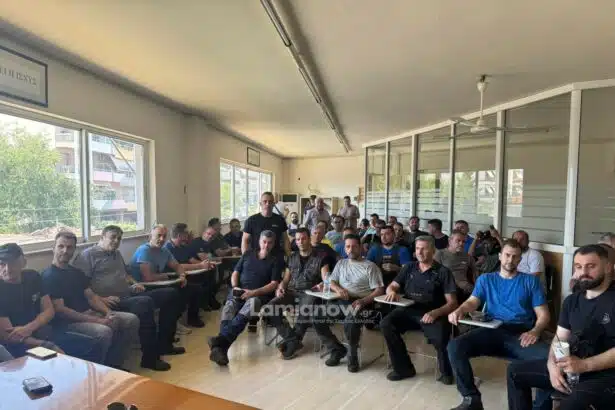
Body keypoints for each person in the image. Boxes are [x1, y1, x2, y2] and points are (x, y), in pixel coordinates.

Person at [507, 244, 615, 410]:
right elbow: (560, 338)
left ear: (608, 267)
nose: (583, 272)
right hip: (572, 369)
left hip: (605, 375)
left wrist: (584, 365)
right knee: (514, 372)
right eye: (578, 266)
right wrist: (553, 366)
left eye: (591, 266)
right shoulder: (572, 301)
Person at [447, 239, 551, 410]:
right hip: (492, 330)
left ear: (520, 260)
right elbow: (473, 301)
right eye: (507, 255)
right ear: (500, 256)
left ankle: (539, 407)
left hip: (520, 335)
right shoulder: (486, 279)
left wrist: (535, 331)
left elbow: (544, 315)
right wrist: (460, 309)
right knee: (454, 346)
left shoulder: (530, 281)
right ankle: (471, 399)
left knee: (550, 359)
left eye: (515, 257)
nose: (510, 260)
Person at [75, 225, 186, 370]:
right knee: (144, 303)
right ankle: (150, 358)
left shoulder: (116, 254)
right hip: (108, 302)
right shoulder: (87, 255)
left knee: (171, 294)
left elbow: (126, 274)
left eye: (119, 238)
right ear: (102, 237)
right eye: (112, 238)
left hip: (128, 295)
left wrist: (135, 283)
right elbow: (80, 286)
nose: (116, 241)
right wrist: (101, 299)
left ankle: (165, 344)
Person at [42, 232, 139, 370]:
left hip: (88, 314)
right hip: (67, 323)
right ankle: (99, 369)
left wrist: (108, 312)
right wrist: (97, 320)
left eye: (70, 247)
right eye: (61, 246)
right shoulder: (49, 276)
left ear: (74, 250)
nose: (65, 251)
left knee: (130, 320)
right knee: (103, 331)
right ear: (54, 248)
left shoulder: (76, 272)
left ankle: (114, 365)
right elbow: (61, 311)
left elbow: (91, 297)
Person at [0, 243, 101, 363]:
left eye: (13, 264)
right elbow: (9, 337)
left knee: (92, 344)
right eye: (2, 264)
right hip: (20, 344)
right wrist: (46, 345)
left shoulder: (32, 277)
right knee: (57, 354)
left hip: (40, 331)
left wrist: (29, 328)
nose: (7, 269)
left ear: (23, 263)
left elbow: (49, 310)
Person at [381, 235, 458, 383]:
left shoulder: (443, 272)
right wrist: (391, 291)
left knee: (441, 335)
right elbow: (392, 286)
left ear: (433, 251)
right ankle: (403, 368)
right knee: (386, 324)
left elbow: (452, 303)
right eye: (417, 248)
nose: (419, 252)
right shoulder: (409, 267)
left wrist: (435, 313)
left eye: (424, 249)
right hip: (409, 310)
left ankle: (446, 372)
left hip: (434, 313)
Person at [208, 231, 282, 366]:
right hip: (239, 290)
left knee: (251, 304)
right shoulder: (248, 254)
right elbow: (236, 272)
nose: (266, 245)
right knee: (229, 307)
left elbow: (274, 284)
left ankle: (219, 341)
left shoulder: (276, 260)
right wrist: (235, 286)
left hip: (259, 295)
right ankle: (220, 349)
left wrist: (253, 292)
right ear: (259, 241)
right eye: (264, 242)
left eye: (270, 243)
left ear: (273, 243)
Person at [313, 234, 384, 373]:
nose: (351, 250)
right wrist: (338, 289)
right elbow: (332, 281)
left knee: (350, 321)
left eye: (354, 246)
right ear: (345, 248)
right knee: (317, 315)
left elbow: (379, 290)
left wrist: (363, 301)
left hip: (362, 303)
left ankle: (352, 355)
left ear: (361, 248)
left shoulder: (370, 266)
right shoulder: (341, 263)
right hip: (341, 301)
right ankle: (336, 349)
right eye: (348, 247)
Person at [264, 227, 329, 359]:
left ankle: (291, 345)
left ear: (309, 239)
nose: (300, 242)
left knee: (305, 309)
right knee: (270, 308)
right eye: (298, 239)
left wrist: (323, 284)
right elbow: (286, 279)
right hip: (292, 291)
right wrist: (280, 287)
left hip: (310, 293)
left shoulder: (321, 257)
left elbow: (326, 279)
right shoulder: (292, 257)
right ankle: (292, 340)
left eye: (303, 239)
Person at [129, 225, 203, 328]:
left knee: (194, 288)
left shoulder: (164, 251)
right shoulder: (144, 250)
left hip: (159, 283)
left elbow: (177, 266)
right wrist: (165, 276)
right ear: (150, 237)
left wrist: (182, 276)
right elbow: (148, 278)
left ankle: (190, 319)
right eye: (159, 236)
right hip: (143, 287)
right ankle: (170, 325)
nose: (162, 239)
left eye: (164, 236)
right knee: (173, 293)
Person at [166, 223, 219, 312]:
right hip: (176, 277)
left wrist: (204, 264)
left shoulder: (182, 246)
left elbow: (191, 260)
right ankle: (197, 309)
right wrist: (199, 265)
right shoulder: (168, 248)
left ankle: (207, 301)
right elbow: (178, 266)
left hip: (188, 272)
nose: (188, 234)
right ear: (179, 235)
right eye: (186, 233)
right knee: (198, 286)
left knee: (209, 273)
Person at [242, 192, 290, 260]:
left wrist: (289, 256)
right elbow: (245, 240)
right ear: (260, 204)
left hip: (276, 258)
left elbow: (285, 239)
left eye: (270, 202)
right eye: (265, 201)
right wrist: (245, 259)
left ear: (273, 204)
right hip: (257, 258)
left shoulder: (280, 220)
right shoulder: (251, 220)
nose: (267, 204)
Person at [434, 230, 477, 302]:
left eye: (463, 242)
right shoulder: (440, 254)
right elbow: (434, 274)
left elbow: (475, 272)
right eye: (458, 241)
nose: (461, 244)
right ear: (450, 241)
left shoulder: (467, 257)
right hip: (447, 289)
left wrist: (477, 287)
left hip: (466, 289)